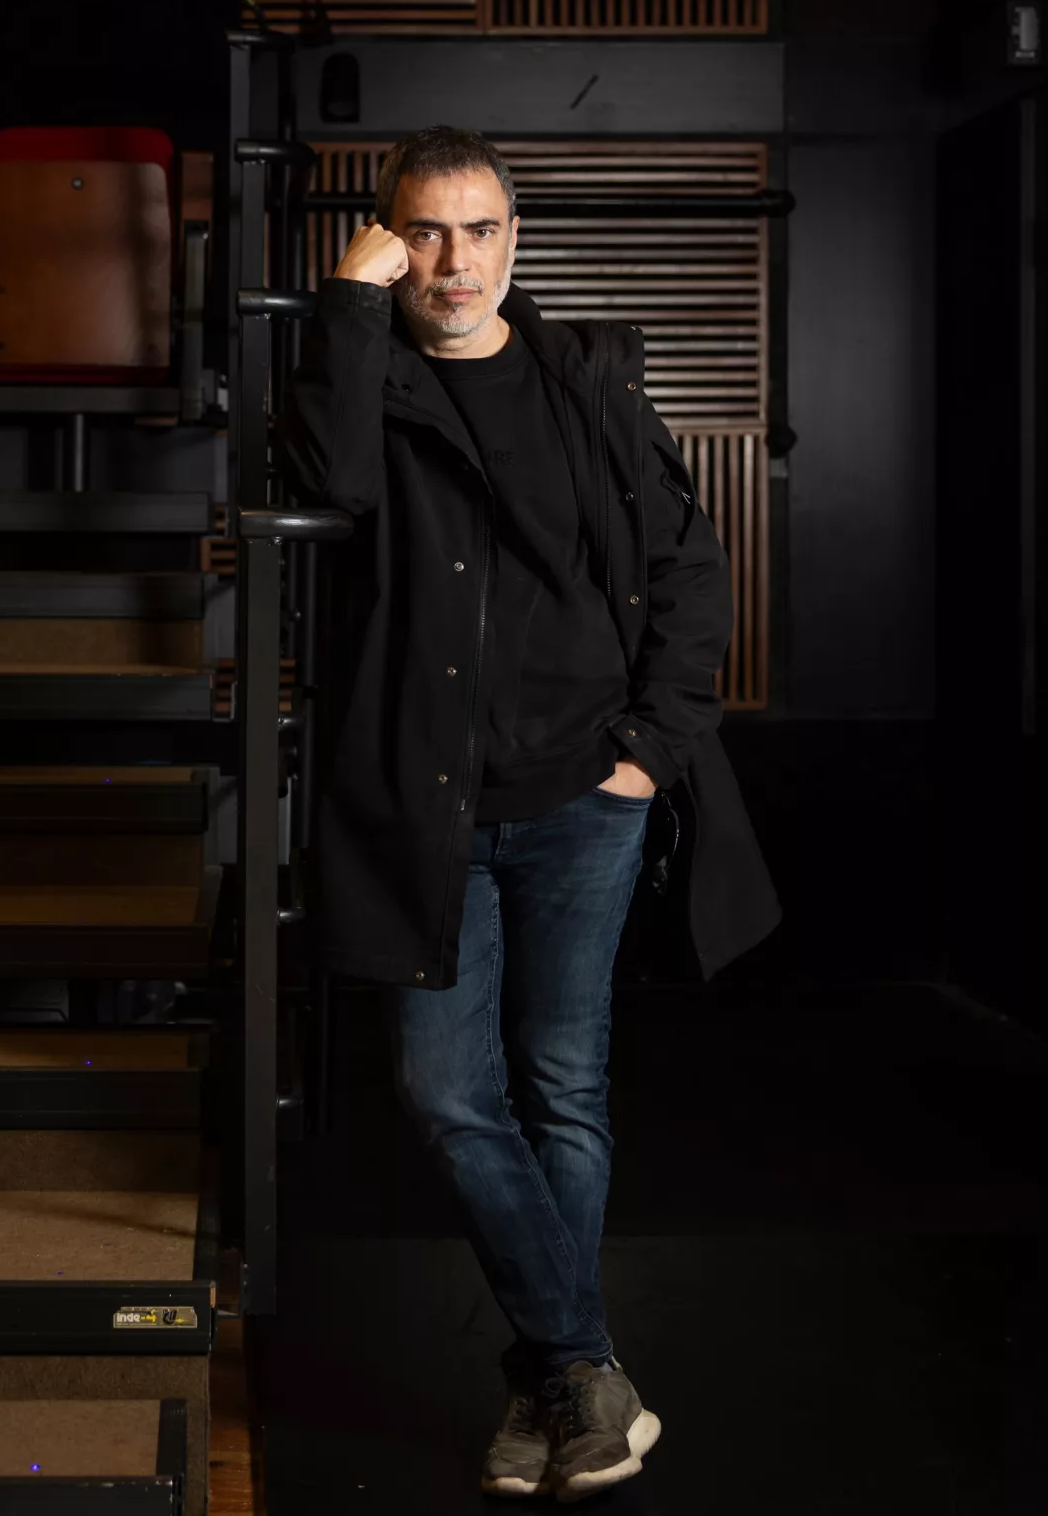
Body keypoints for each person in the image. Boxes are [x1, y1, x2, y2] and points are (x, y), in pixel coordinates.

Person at [281, 126, 780, 1501]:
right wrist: (341, 302)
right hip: (423, 804)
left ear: (517, 240)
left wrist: (651, 748)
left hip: (584, 792)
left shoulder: (583, 379)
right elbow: (329, 485)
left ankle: (547, 1385)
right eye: (425, 234)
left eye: (481, 230)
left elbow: (689, 561)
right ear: (391, 245)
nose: (456, 262)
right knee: (443, 1091)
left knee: (563, 1090)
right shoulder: (362, 377)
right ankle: (581, 1365)